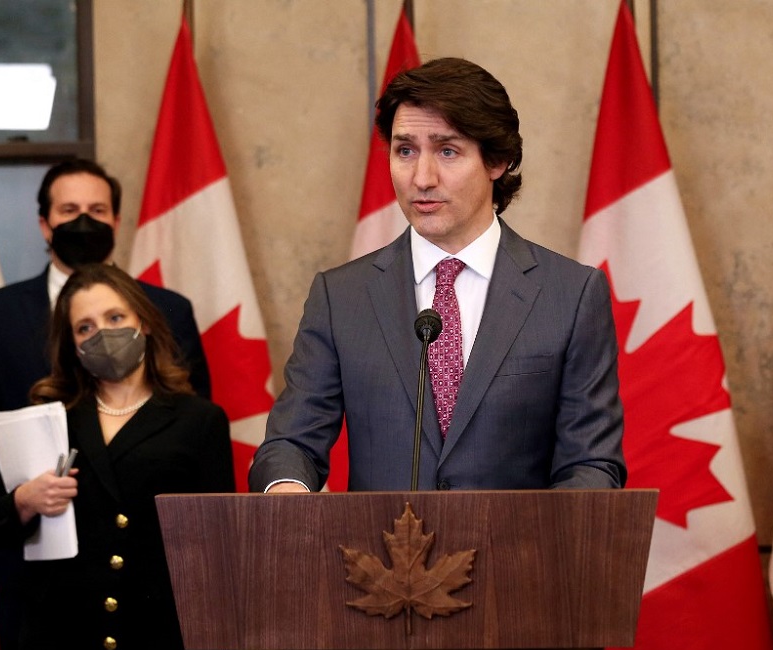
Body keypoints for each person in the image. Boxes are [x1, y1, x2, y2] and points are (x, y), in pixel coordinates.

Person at [249, 57, 625, 494]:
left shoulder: (571, 295)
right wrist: (288, 491)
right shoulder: (341, 297)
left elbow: (592, 464)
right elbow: (290, 443)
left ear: (497, 160)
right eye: (405, 151)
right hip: (382, 540)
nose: (422, 178)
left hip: (519, 540)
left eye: (447, 151)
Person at [0, 158, 211, 650]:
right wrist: (24, 498)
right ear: (44, 223)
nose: (84, 221)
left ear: (117, 220)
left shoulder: (169, 309)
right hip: (32, 564)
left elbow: (190, 426)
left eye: (97, 209)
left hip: (147, 575)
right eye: (69, 210)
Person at [0, 263, 234, 650]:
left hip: (158, 637)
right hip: (63, 638)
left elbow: (219, 545)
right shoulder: (51, 417)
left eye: (115, 318)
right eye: (85, 327)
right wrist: (25, 500)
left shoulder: (200, 420)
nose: (101, 333)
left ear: (143, 323)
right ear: (72, 344)